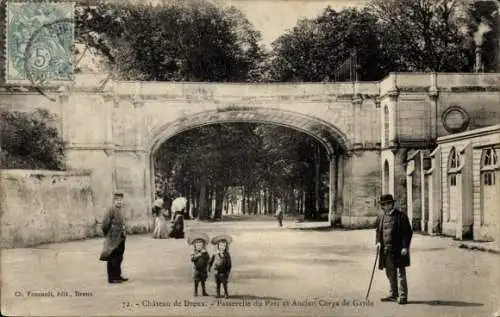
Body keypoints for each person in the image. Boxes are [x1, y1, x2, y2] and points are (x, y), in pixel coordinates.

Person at [375, 194, 413, 305]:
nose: (386, 206)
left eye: (388, 203)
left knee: (400, 273)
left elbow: (407, 233)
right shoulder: (382, 217)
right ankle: (393, 294)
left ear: (392, 204)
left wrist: (405, 247)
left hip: (399, 250)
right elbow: (378, 231)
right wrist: (378, 242)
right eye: (383, 204)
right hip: (386, 250)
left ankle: (402, 296)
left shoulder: (401, 216)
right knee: (390, 273)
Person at [99, 192, 129, 284]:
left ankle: (118, 275)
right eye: (117, 200)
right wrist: (108, 234)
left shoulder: (121, 210)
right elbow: (105, 224)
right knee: (112, 258)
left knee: (119, 257)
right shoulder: (111, 210)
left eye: (120, 200)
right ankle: (112, 278)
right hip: (113, 238)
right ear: (114, 201)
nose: (119, 202)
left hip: (121, 238)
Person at [208, 234, 232, 298]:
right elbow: (211, 261)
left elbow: (229, 263)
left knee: (224, 283)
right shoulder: (215, 253)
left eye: (224, 246)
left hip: (224, 272)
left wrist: (228, 271)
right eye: (221, 245)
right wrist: (209, 268)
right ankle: (218, 294)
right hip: (217, 271)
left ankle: (226, 293)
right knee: (218, 283)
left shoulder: (227, 254)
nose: (222, 247)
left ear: (226, 246)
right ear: (218, 245)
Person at [187, 232, 211, 297]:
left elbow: (208, 259)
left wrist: (205, 255)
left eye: (200, 245)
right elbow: (192, 259)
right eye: (197, 246)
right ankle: (195, 292)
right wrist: (198, 255)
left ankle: (204, 292)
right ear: (195, 246)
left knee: (203, 281)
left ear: (203, 246)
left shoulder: (205, 253)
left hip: (203, 270)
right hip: (197, 270)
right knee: (196, 281)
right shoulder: (194, 253)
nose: (199, 247)